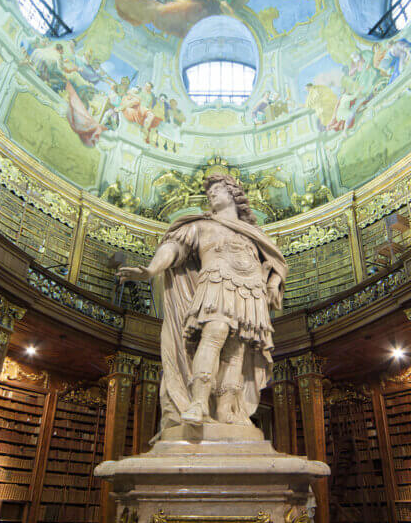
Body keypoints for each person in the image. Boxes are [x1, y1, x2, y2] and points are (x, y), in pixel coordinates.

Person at [117, 174, 287, 428]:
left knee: (237, 349)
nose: (211, 195)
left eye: (217, 189)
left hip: (250, 290)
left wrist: (273, 284)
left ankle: (225, 409)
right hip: (216, 283)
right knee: (214, 333)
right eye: (210, 193)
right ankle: (198, 402)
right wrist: (152, 270)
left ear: (232, 194)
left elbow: (275, 262)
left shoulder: (253, 233)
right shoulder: (200, 225)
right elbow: (174, 247)